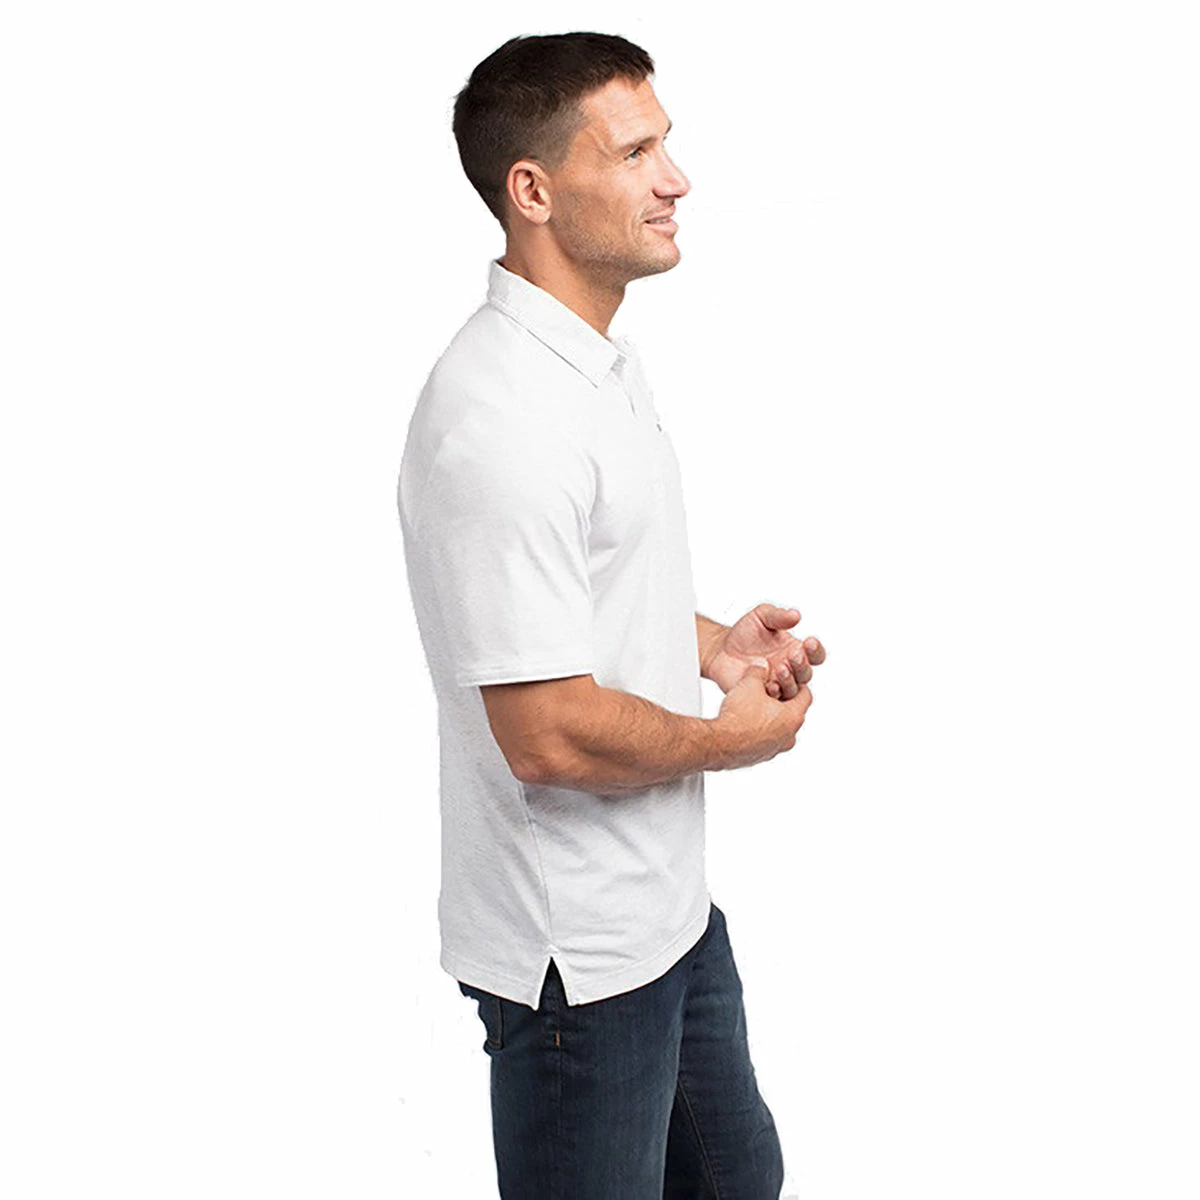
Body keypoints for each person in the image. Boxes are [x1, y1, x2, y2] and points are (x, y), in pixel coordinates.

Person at [397, 31, 826, 1199]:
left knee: (739, 1181)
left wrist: (714, 649)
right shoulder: (501, 419)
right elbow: (544, 733)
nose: (676, 179)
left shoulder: (588, 365)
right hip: (577, 967)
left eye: (665, 145)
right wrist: (731, 744)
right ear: (532, 192)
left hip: (670, 915)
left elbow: (580, 603)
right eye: (635, 153)